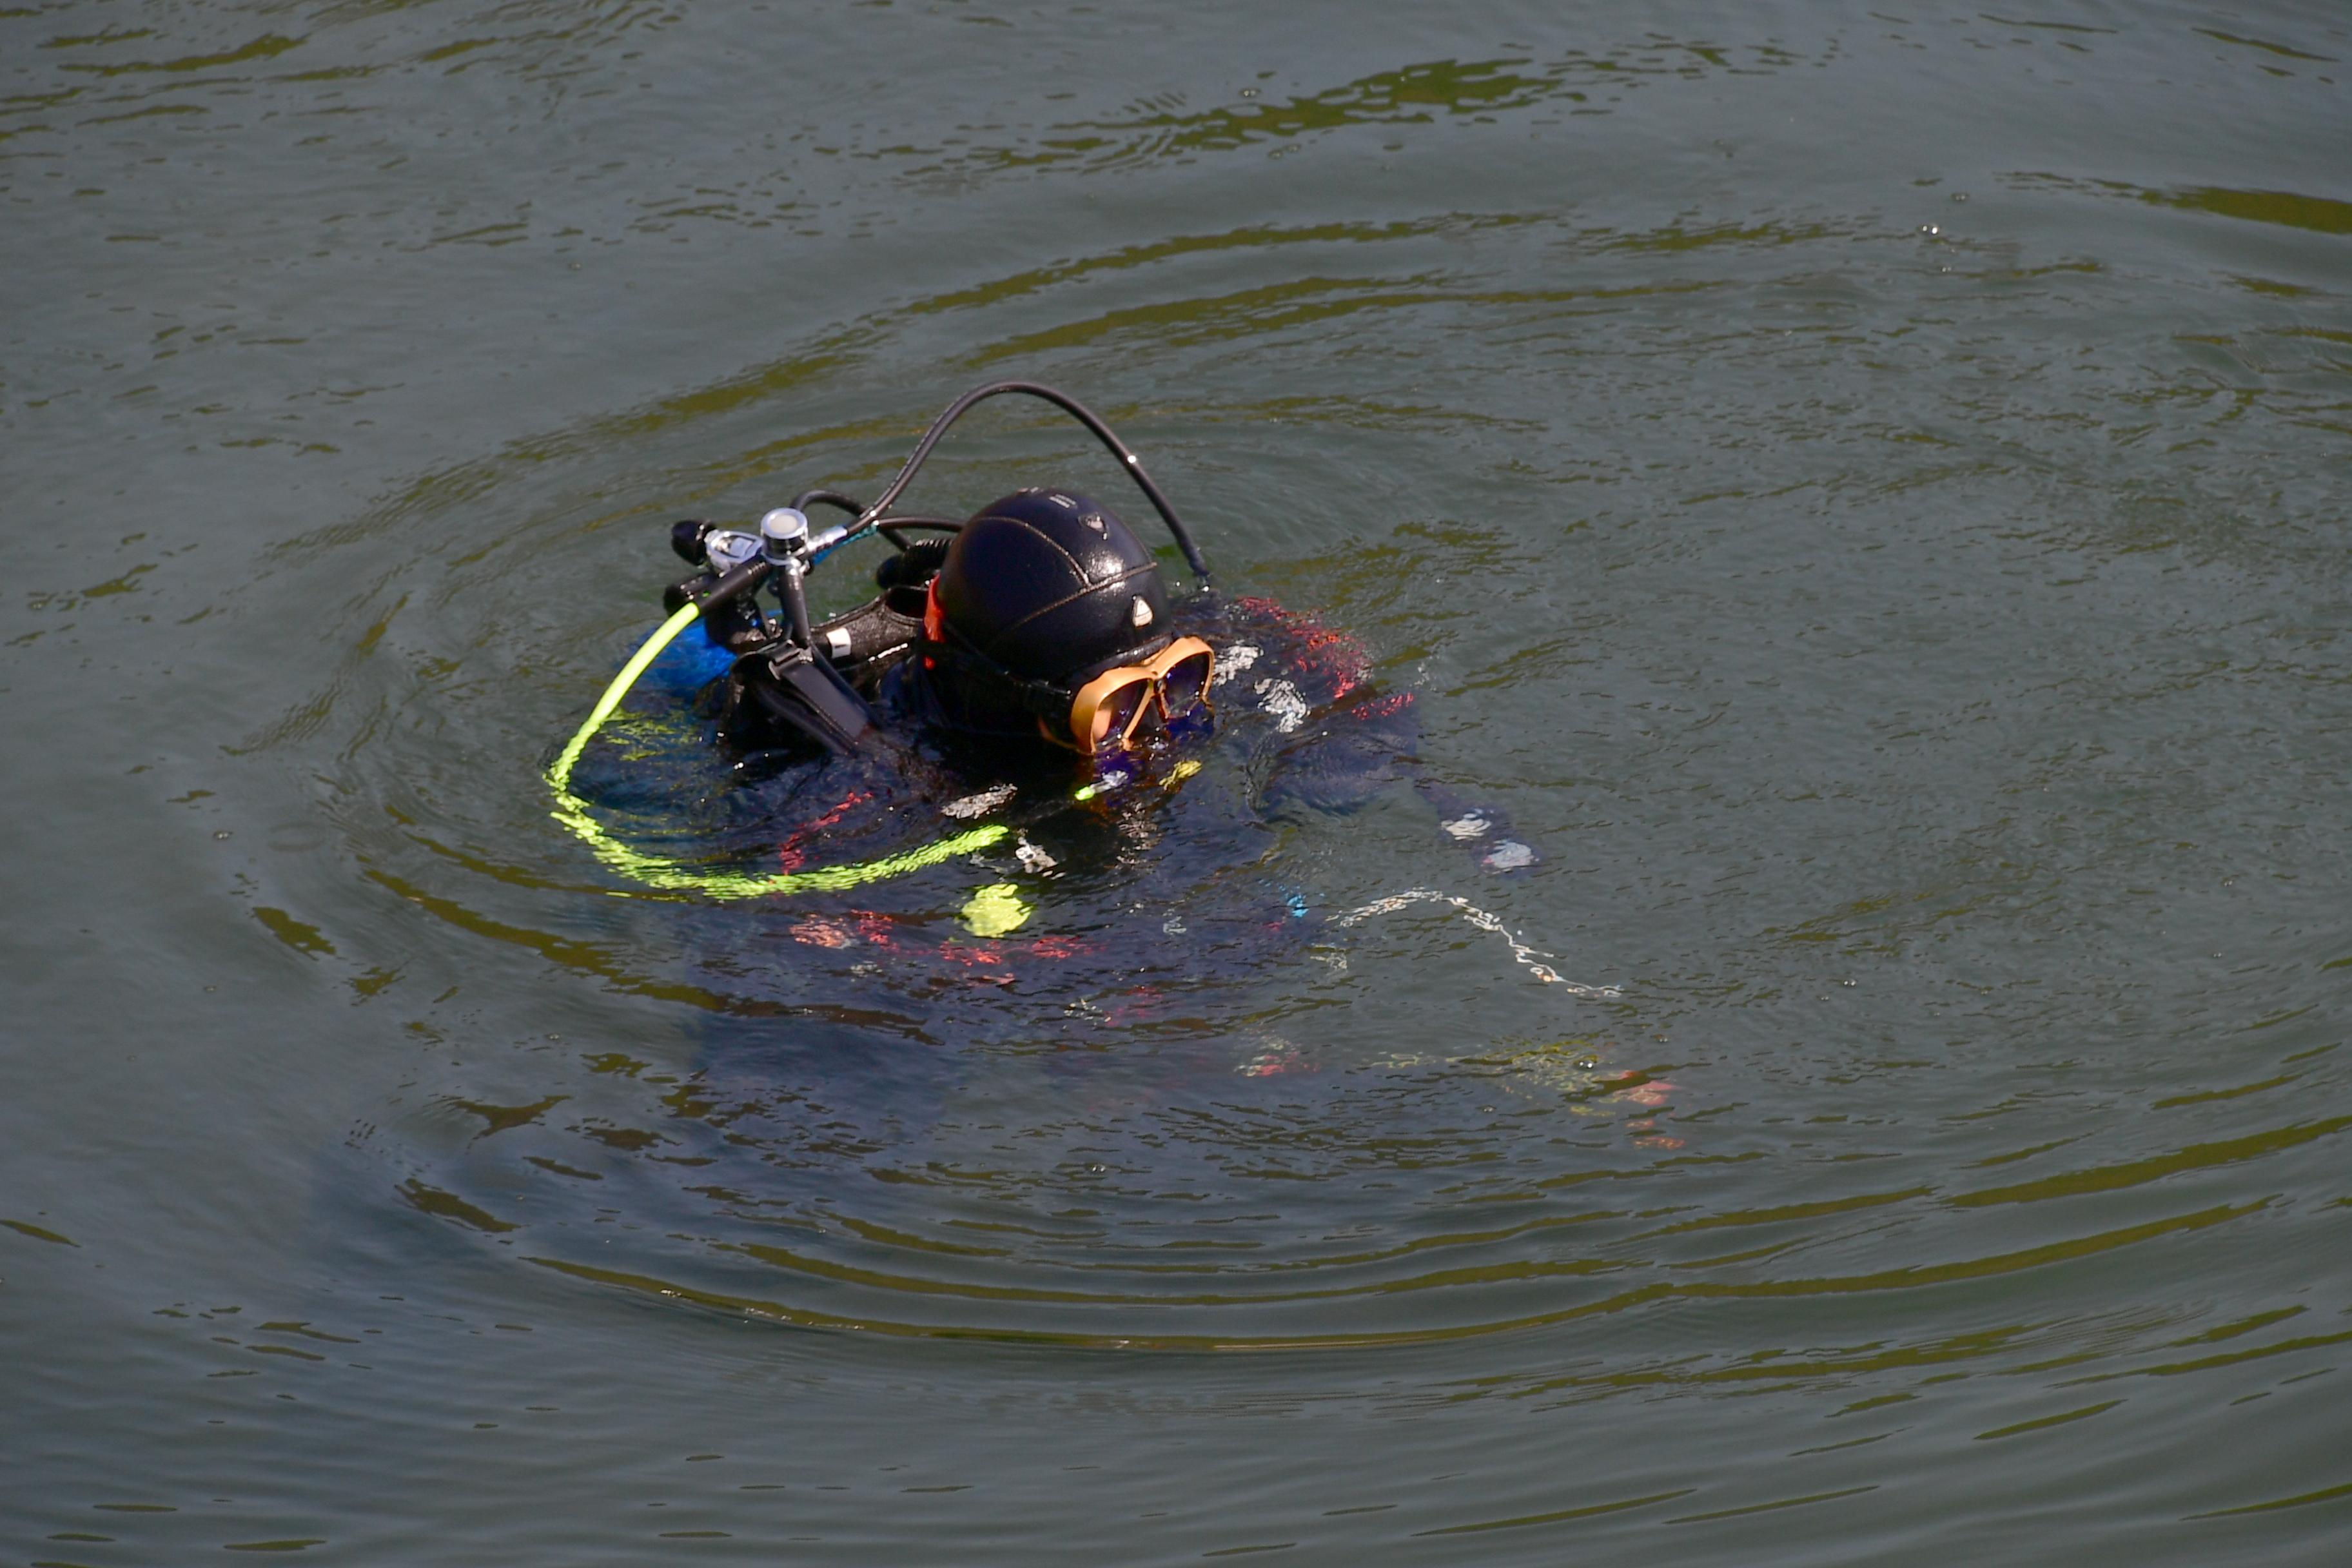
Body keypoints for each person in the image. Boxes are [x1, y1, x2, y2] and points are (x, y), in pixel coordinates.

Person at [549, 383, 1536, 956]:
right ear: (1025, 705)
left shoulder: (1205, 648)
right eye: (1119, 708)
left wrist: (1333, 760)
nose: (1158, 722)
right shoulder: (865, 780)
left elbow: (1343, 679)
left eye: (1176, 677)